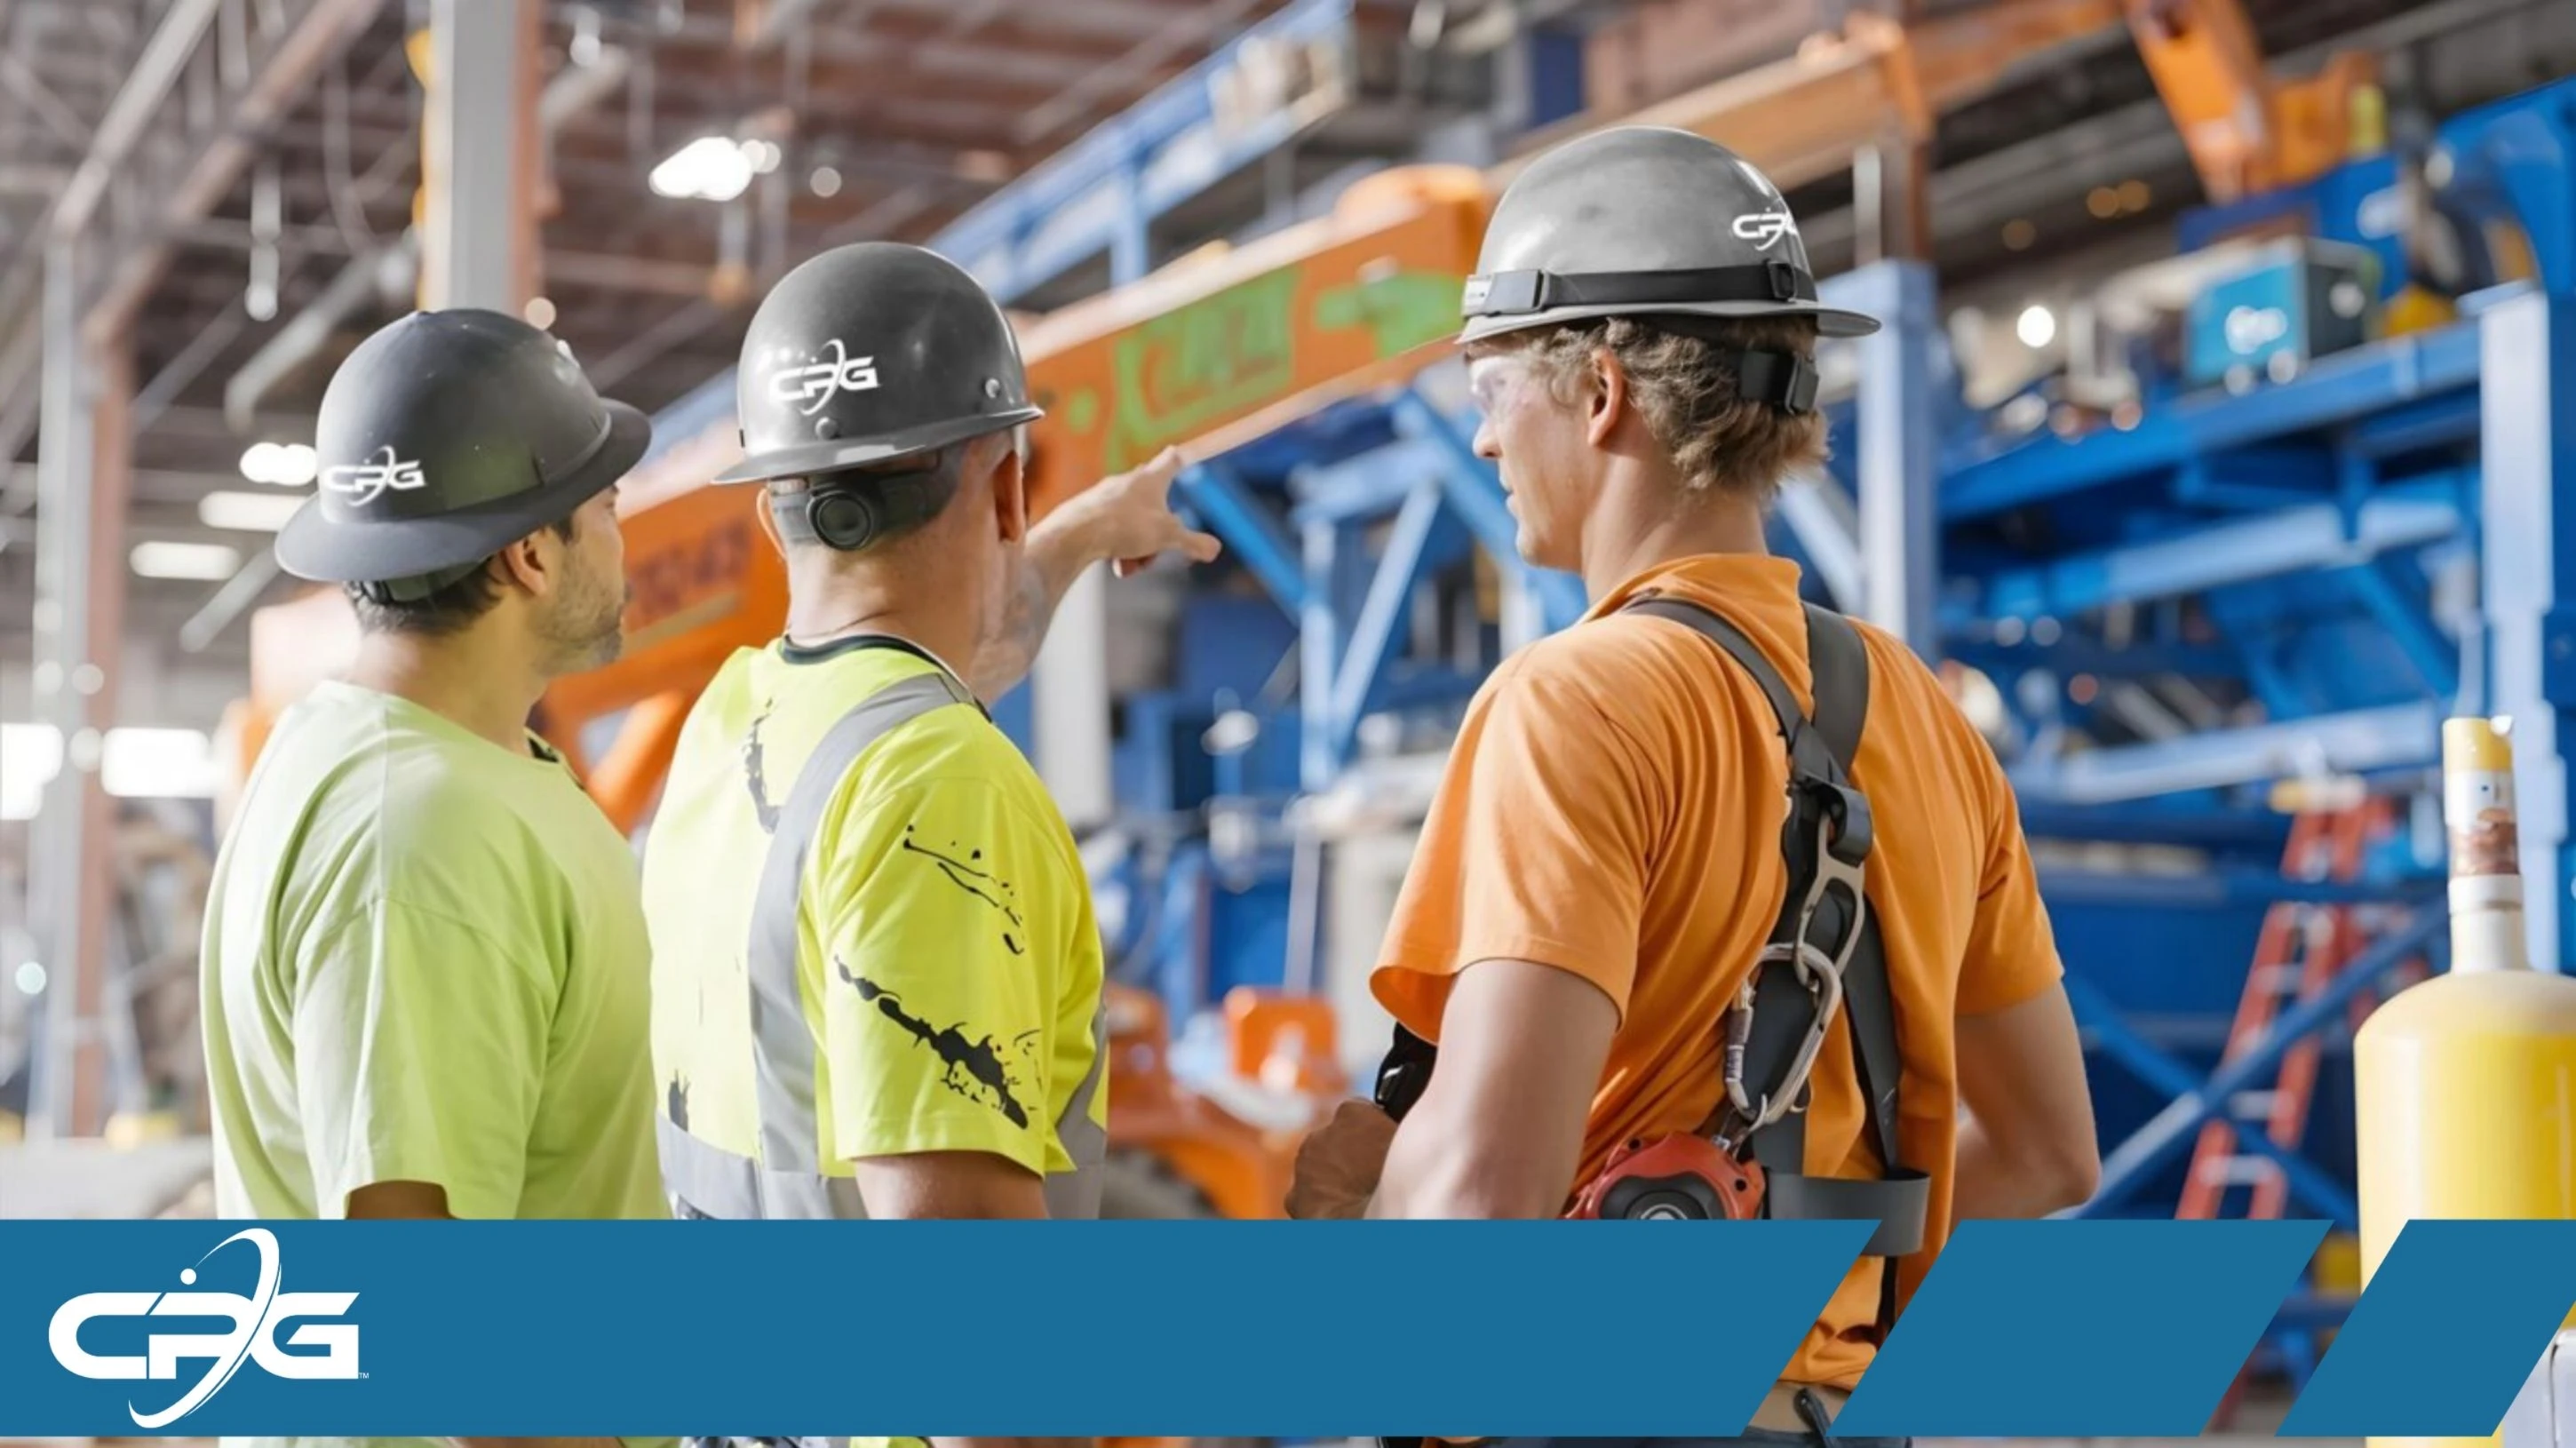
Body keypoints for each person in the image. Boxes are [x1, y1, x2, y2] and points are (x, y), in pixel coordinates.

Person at [1288, 126, 2101, 1444]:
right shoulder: (1930, 719)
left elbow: (1483, 1195)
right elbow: (2054, 1151)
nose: (1485, 435)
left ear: (1600, 388)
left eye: (1491, 384)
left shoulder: (1570, 703)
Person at [643, 241, 1219, 1232]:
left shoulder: (737, 722)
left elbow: (936, 663)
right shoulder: (939, 782)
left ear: (774, 521)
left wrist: (1080, 529)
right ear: (1004, 492)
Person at [201, 309, 667, 1448]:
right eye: (605, 504)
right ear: (530, 552)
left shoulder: (411, 762)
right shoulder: (417, 834)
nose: (624, 535)